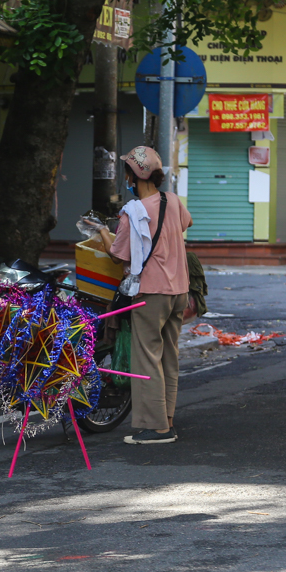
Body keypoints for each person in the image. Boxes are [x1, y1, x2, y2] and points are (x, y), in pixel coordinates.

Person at [98, 146, 192, 444]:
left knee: (147, 358)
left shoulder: (133, 211)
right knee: (168, 356)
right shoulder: (174, 201)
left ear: (133, 176)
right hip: (179, 289)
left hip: (150, 292)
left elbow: (117, 254)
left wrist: (101, 230)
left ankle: (156, 429)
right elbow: (186, 224)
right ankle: (167, 419)